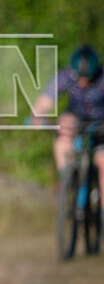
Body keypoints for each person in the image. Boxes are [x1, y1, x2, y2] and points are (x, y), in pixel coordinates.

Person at [33, 44, 104, 185]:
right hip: (75, 116)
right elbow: (46, 99)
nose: (83, 82)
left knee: (102, 161)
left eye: (87, 78)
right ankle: (68, 176)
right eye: (80, 77)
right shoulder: (66, 76)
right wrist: (37, 116)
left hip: (100, 121)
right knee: (64, 126)